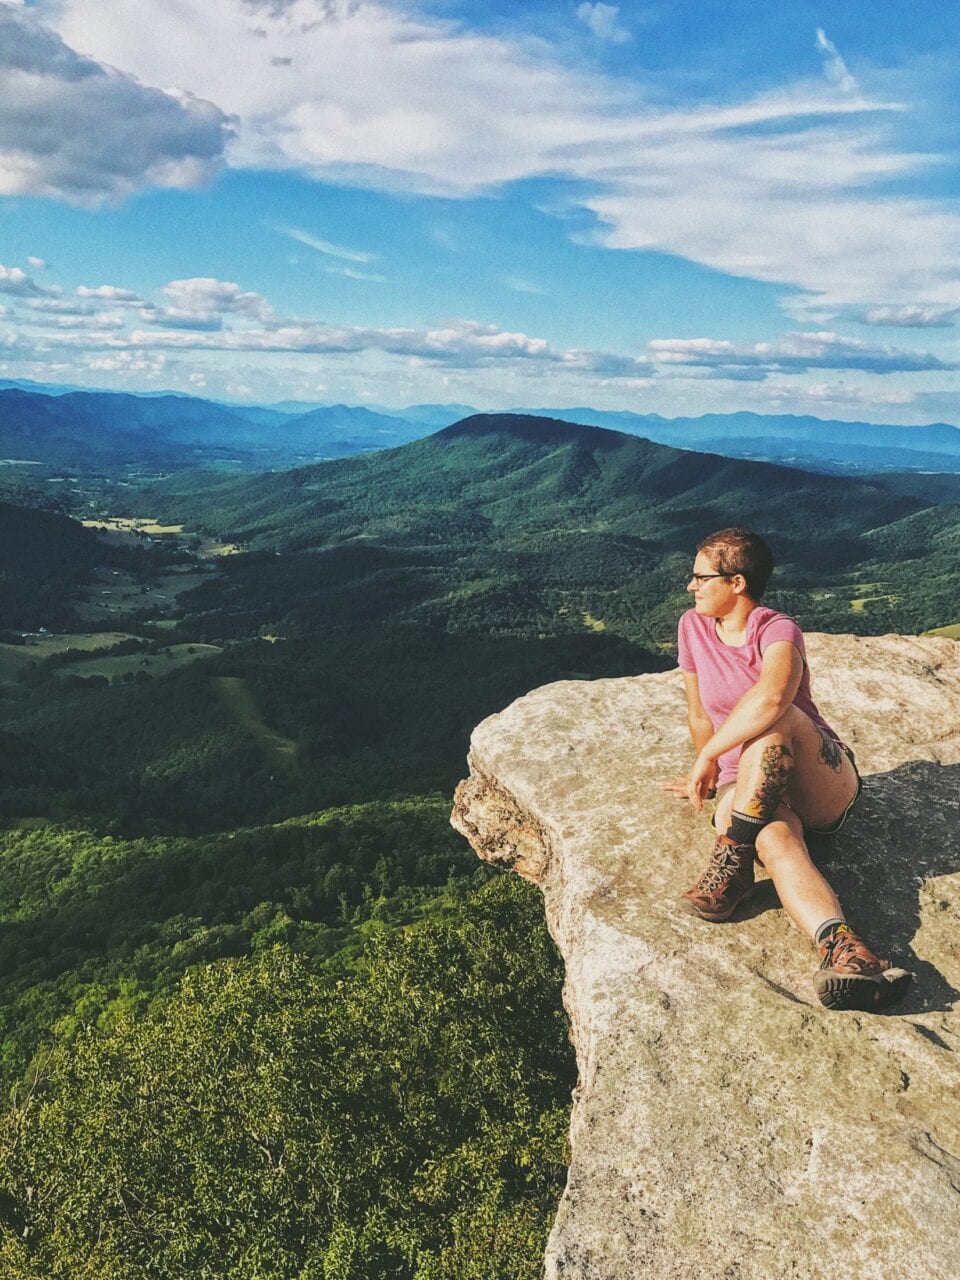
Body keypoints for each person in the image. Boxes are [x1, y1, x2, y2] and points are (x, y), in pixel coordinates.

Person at [661, 527, 909, 1012]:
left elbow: (773, 697)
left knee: (777, 721)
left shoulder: (776, 629)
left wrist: (707, 756)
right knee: (775, 843)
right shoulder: (692, 626)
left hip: (816, 778)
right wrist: (712, 771)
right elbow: (698, 712)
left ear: (737, 582)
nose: (691, 586)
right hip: (746, 783)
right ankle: (845, 950)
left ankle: (731, 862)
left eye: (700, 577)